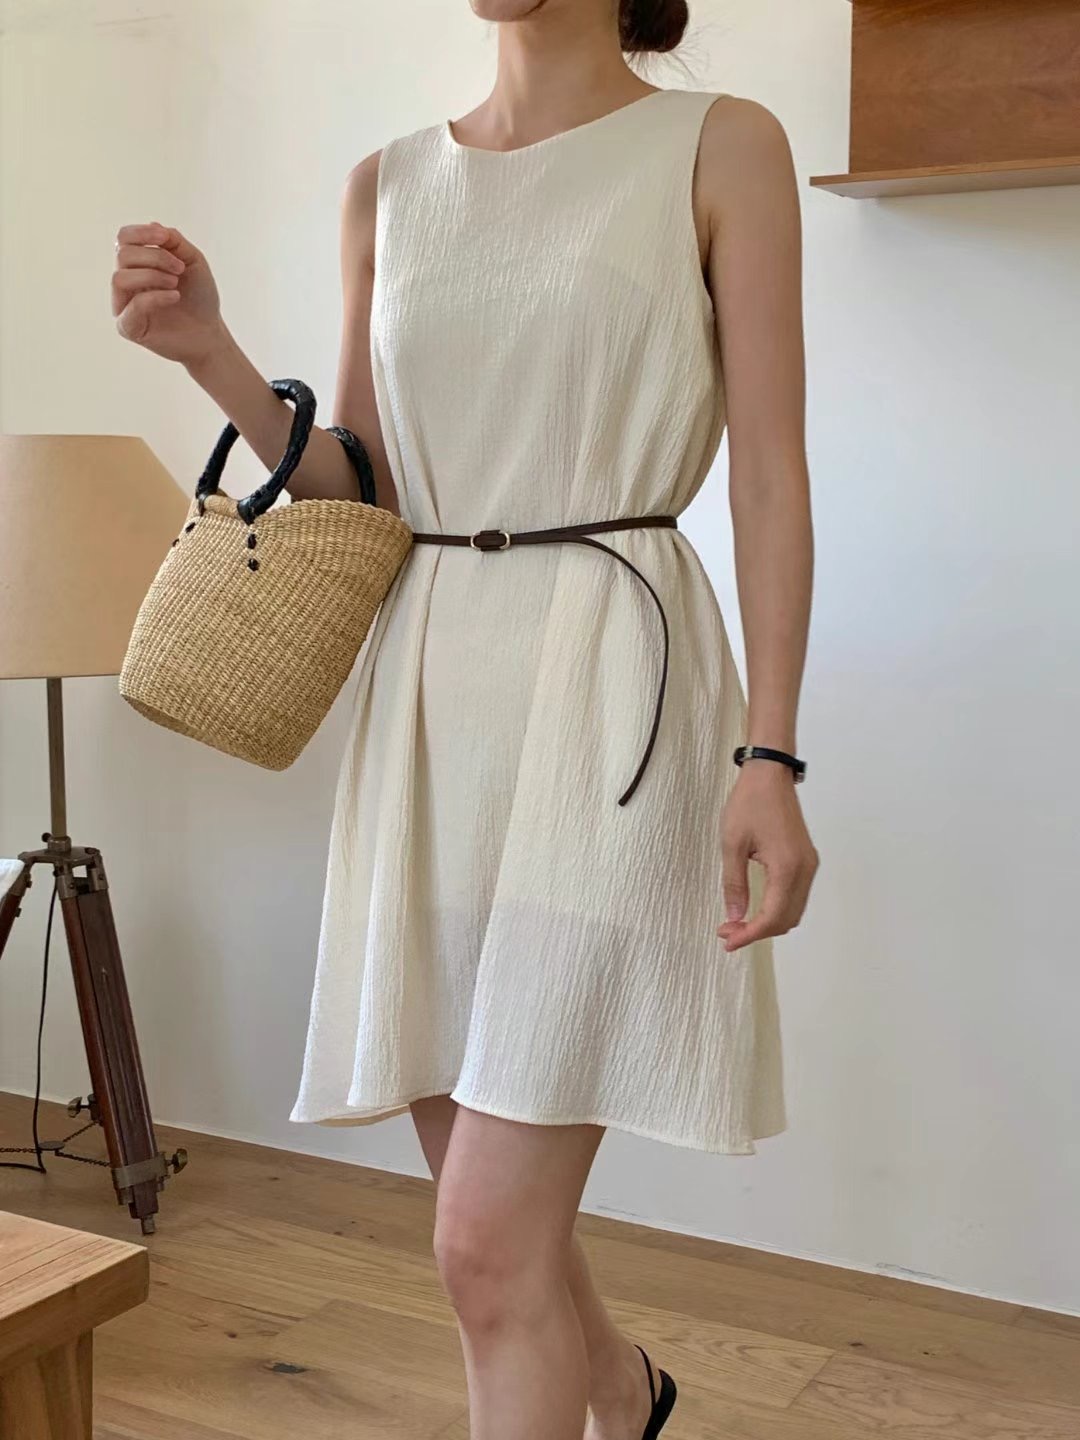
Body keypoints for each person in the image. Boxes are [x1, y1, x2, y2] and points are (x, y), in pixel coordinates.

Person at [111, 1, 818, 1435]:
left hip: (615, 693)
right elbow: (363, 487)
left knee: (483, 1244)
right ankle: (623, 1392)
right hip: (431, 711)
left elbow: (768, 474)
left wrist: (772, 753)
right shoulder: (388, 183)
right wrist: (210, 354)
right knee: (502, 1236)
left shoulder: (721, 147)